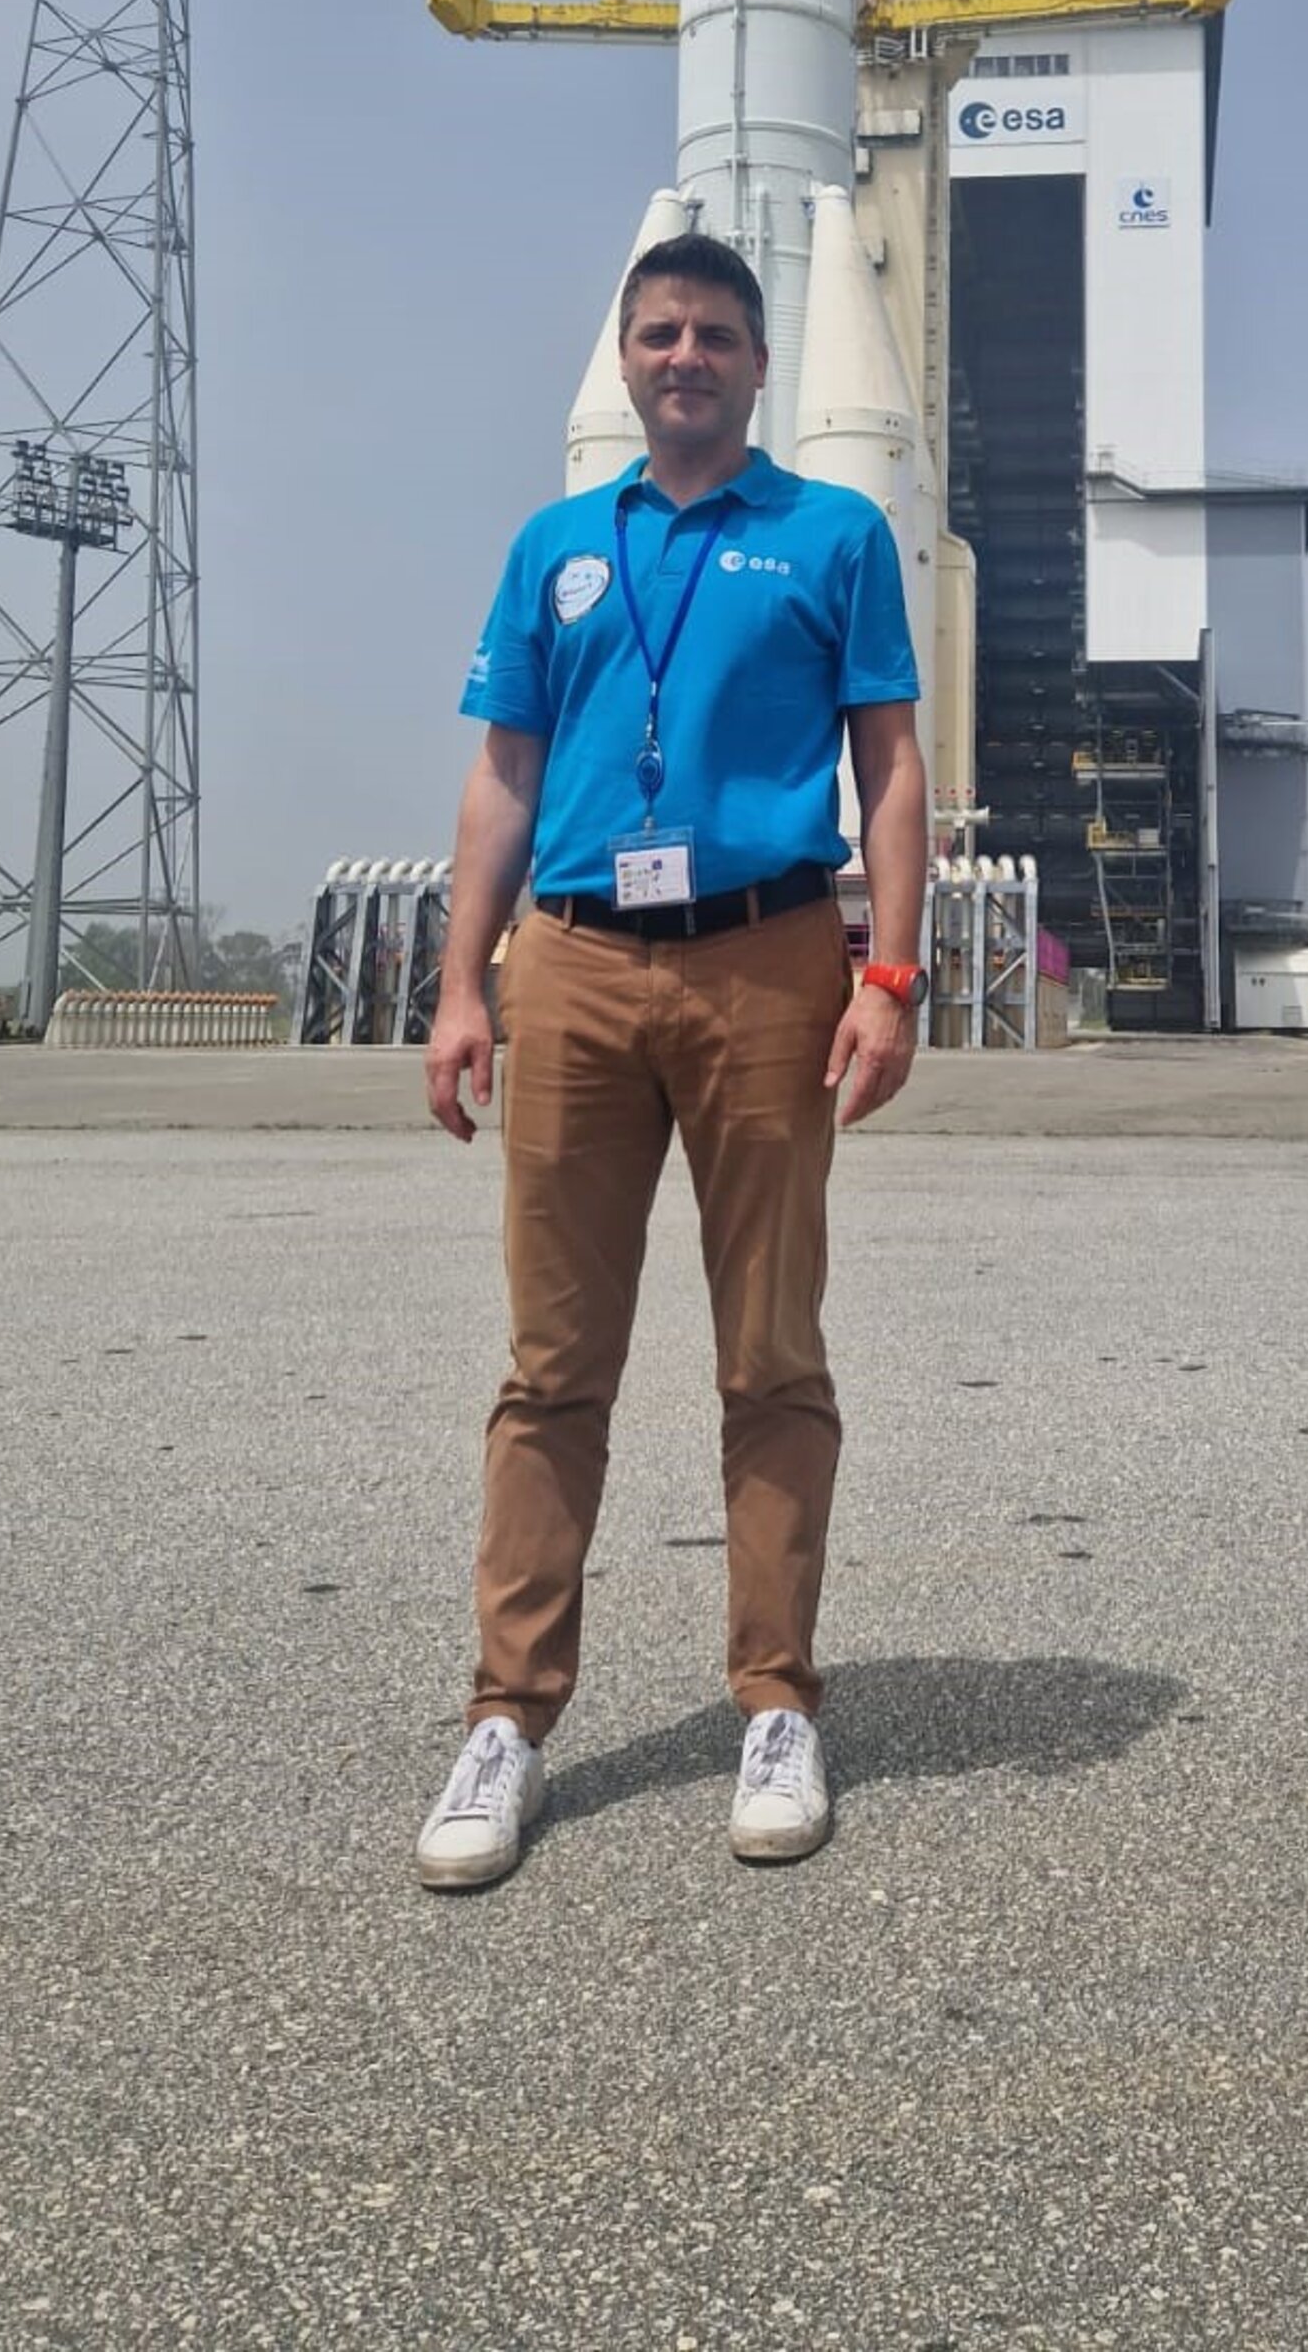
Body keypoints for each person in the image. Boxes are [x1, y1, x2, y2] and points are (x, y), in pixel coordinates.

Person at [416, 232, 928, 1889]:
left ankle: (774, 1699)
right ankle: (507, 1716)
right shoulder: (556, 547)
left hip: (771, 957)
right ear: (623, 360)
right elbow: (504, 771)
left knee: (770, 1348)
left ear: (762, 365)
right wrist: (461, 985)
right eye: (659, 331)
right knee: (552, 1362)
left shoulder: (833, 534)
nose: (685, 354)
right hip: (568, 962)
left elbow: (894, 764)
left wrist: (893, 975)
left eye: (715, 332)